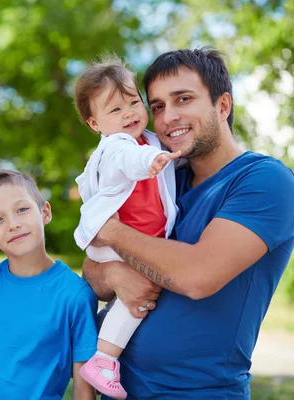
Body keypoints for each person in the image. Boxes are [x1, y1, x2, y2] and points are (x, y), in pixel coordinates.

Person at [83, 47, 294, 399]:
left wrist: (110, 229)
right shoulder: (163, 182)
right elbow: (93, 272)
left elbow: (196, 277)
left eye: (183, 99)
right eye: (159, 106)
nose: (167, 118)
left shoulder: (264, 180)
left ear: (222, 105)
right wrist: (112, 274)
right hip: (120, 389)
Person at [72, 57, 180, 399]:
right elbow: (130, 161)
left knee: (133, 297)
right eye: (115, 110)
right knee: (139, 297)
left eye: (134, 102)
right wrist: (151, 161)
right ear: (94, 124)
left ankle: (102, 355)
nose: (129, 113)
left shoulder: (149, 139)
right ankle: (104, 358)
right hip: (115, 237)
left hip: (135, 235)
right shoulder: (118, 146)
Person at [0, 168, 98, 400]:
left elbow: (84, 385)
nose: (13, 224)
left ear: (45, 212)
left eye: (22, 209)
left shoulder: (75, 294)